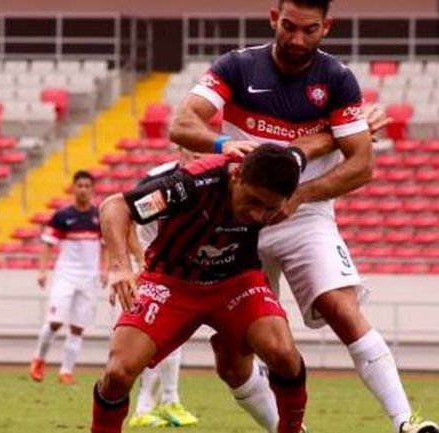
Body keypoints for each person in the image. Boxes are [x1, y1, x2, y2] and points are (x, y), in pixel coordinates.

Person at [168, 0, 439, 432]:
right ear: (274, 19)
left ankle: (406, 422)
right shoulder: (238, 66)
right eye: (289, 27)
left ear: (326, 27)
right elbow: (182, 123)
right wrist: (224, 146)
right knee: (233, 359)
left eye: (308, 30)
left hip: (303, 214)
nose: (297, 39)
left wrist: (299, 196)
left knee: (342, 308)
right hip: (241, 219)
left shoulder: (336, 79)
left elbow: (362, 165)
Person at [92, 144, 316, 433]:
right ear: (238, 176)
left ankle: (291, 429)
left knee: (283, 353)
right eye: (254, 201)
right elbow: (116, 206)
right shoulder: (190, 186)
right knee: (117, 374)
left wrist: (353, 130)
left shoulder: (287, 166)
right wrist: (120, 267)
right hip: (171, 283)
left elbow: (303, 149)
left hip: (237, 282)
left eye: (270, 209)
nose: (259, 215)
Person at [126, 148, 200, 428]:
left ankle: (149, 406)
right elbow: (129, 216)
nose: (198, 155)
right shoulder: (162, 180)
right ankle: (165, 401)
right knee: (161, 333)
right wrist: (137, 260)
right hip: (152, 263)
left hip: (175, 263)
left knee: (165, 334)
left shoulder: (208, 178)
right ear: (180, 149)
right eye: (192, 149)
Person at [30, 170, 106, 385]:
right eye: (79, 186)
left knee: (78, 327)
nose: (83, 190)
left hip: (89, 277)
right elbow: (47, 244)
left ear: (92, 189)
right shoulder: (62, 216)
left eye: (87, 186)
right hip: (66, 275)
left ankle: (66, 371)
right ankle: (38, 358)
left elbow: (105, 245)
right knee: (55, 321)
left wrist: (104, 269)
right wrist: (43, 271)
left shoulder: (98, 216)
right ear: (74, 188)